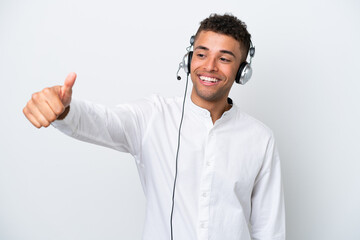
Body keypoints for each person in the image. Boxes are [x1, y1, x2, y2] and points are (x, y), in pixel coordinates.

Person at [23, 13, 285, 240]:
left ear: (242, 71)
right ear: (188, 58)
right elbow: (102, 121)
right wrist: (64, 109)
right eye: (201, 54)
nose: (209, 66)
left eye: (224, 59)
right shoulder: (153, 116)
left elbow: (269, 230)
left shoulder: (260, 138)